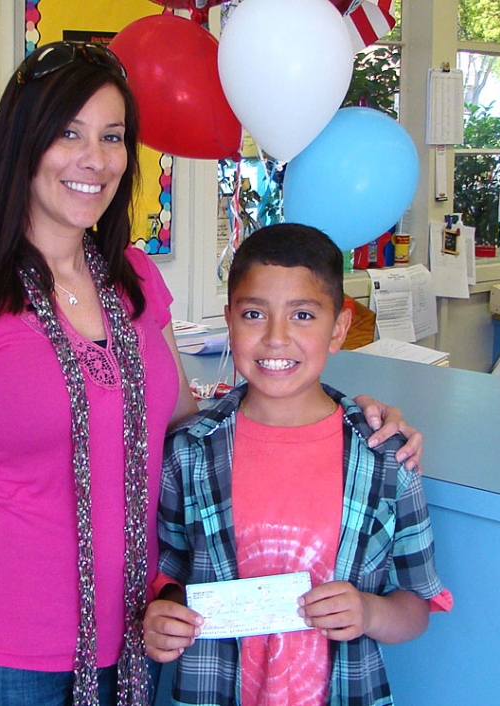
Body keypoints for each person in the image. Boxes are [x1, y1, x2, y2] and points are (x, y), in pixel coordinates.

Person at [0, 42, 424, 706]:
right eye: (68, 134)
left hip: (135, 644)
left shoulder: (133, 279)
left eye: (112, 137)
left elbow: (189, 436)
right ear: (23, 145)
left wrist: (346, 418)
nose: (94, 159)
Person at [144, 223, 451, 706]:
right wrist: (163, 613)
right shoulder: (189, 452)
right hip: (212, 689)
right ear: (229, 321)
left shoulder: (385, 458)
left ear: (340, 328)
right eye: (253, 314)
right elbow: (167, 572)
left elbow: (415, 605)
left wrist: (368, 613)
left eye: (303, 315)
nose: (276, 338)